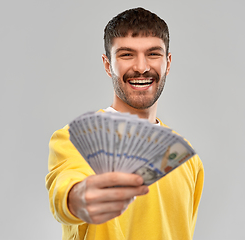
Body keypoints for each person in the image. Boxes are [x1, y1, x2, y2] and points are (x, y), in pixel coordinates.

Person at [46, 7, 204, 240]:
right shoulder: (76, 139)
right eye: (127, 54)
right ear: (108, 64)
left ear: (167, 63)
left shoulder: (186, 157)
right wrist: (77, 199)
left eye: (153, 54)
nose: (141, 67)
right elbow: (65, 187)